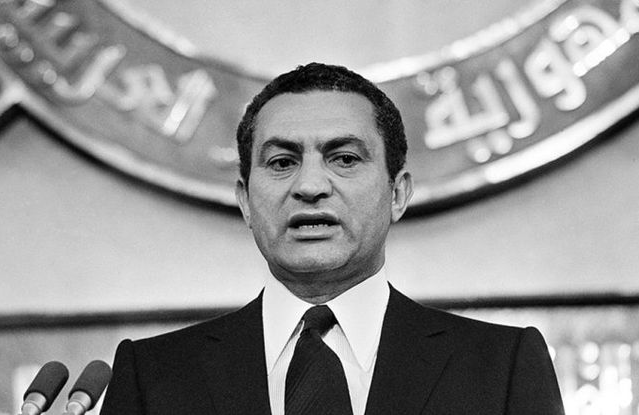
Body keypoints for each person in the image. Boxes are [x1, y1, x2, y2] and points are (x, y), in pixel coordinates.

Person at [100, 63, 565, 415]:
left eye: (344, 159)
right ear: (245, 200)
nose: (310, 186)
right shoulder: (153, 375)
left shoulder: (500, 368)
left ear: (397, 193)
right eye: (282, 162)